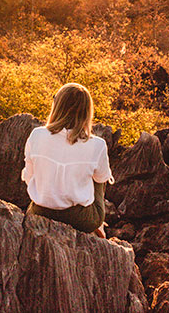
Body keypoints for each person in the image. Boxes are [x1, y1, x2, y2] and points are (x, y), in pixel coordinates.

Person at [21, 82, 114, 237]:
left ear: (57, 106)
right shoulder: (97, 144)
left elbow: (29, 177)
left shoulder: (36, 135)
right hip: (80, 219)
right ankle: (99, 228)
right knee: (99, 178)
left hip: (40, 210)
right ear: (86, 112)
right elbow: (103, 178)